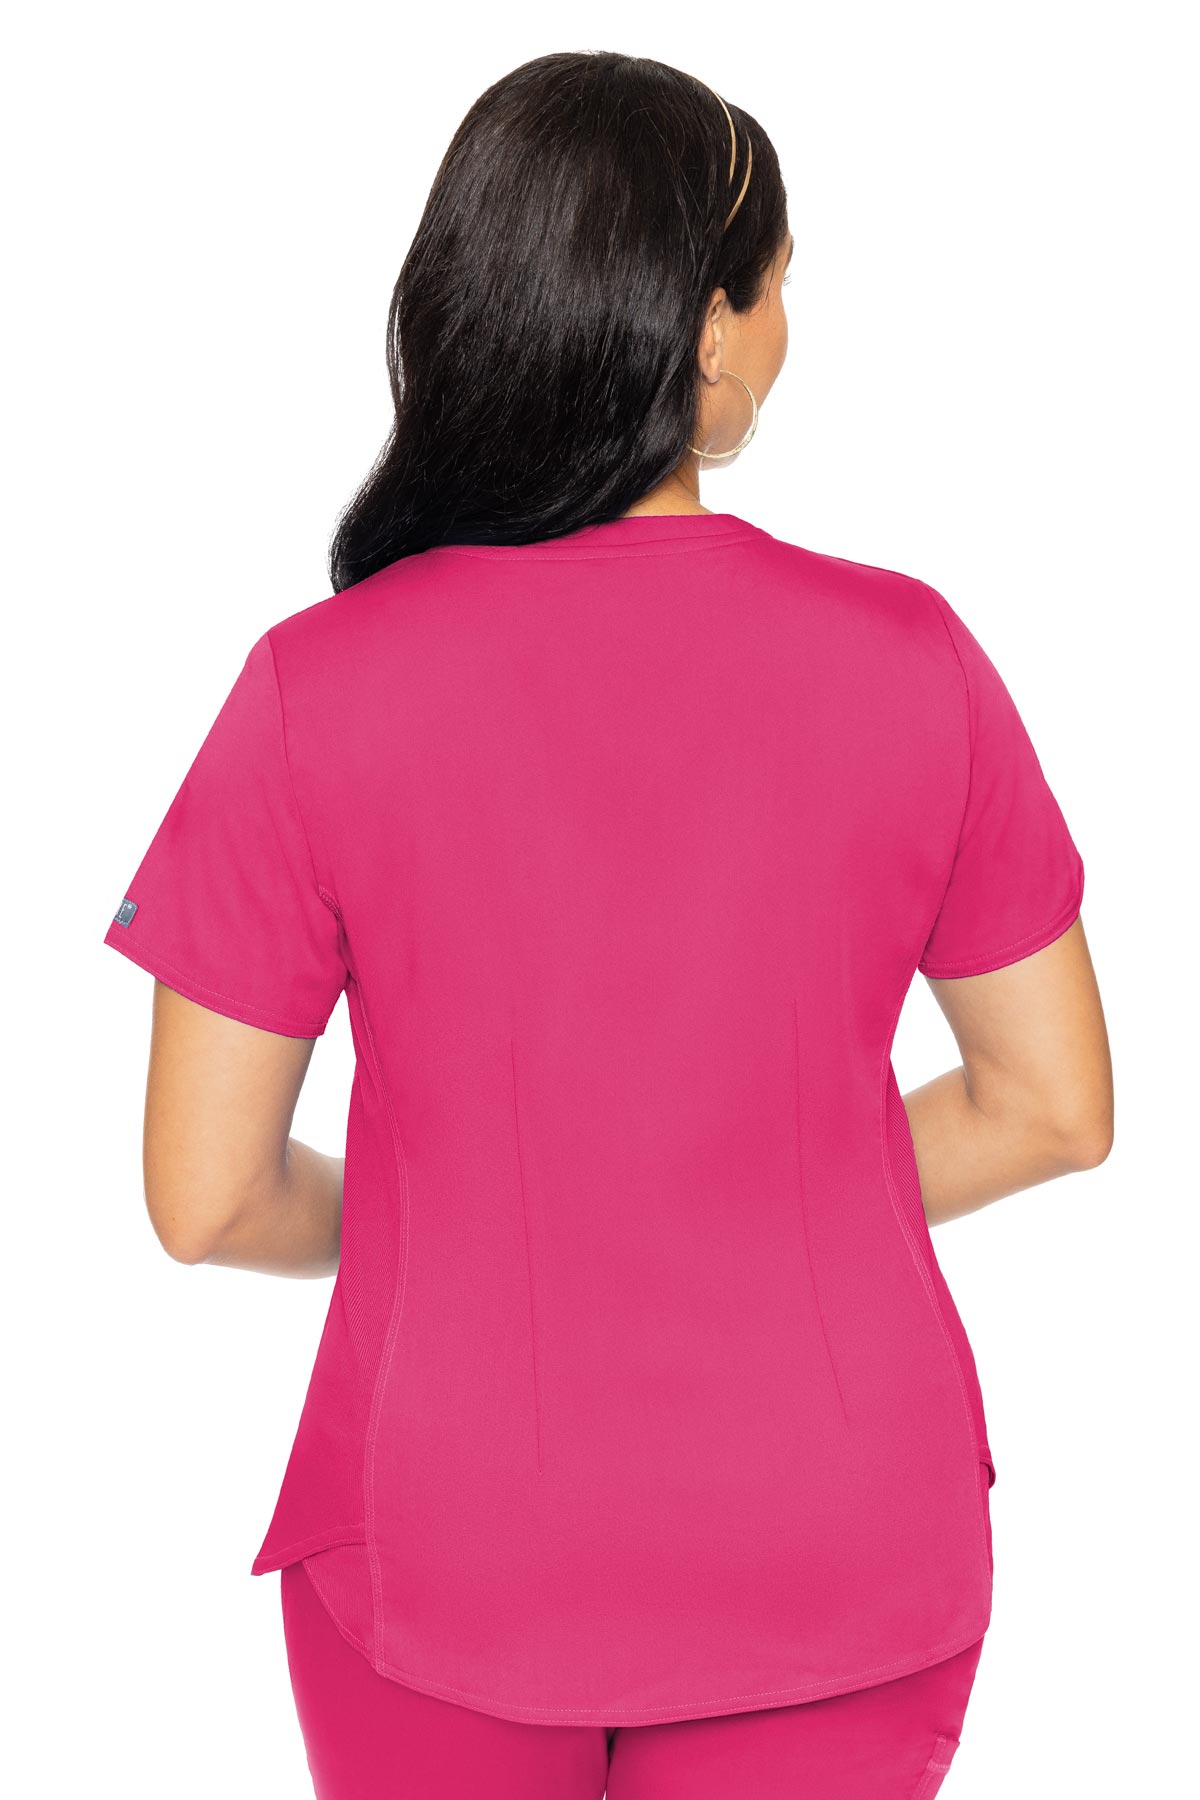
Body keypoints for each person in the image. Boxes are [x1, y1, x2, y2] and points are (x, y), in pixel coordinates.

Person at [101, 49, 1113, 1800]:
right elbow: (1053, 1108)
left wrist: (463, 1212)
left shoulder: (315, 690)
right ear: (707, 331)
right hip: (838, 1539)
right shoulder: (911, 661)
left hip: (445, 1544)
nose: (790, 324)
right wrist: (752, 1181)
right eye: (781, 282)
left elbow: (207, 1198)